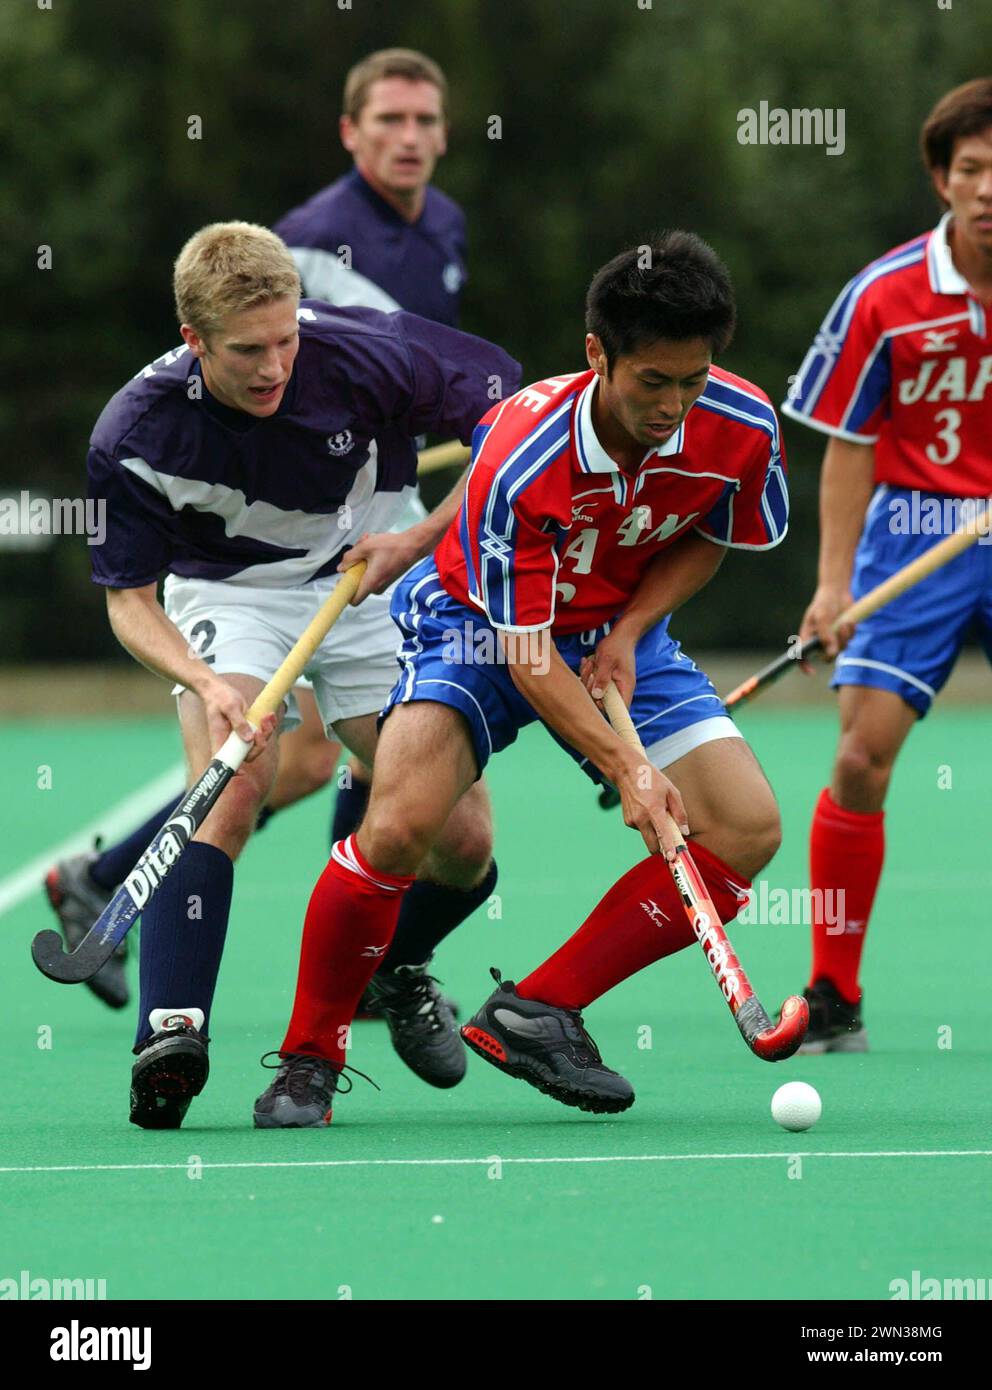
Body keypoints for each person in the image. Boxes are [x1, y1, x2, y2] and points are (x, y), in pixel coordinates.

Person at [254, 231, 789, 1128]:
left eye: (692, 381)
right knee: (400, 826)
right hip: (480, 625)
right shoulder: (525, 449)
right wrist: (628, 770)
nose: (672, 406)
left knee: (744, 828)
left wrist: (628, 630)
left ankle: (536, 1010)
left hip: (618, 627)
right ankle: (309, 1057)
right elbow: (524, 651)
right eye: (650, 382)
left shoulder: (739, 424)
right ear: (596, 356)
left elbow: (710, 533)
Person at [44, 48, 474, 1016]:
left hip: (376, 505)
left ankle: (109, 877)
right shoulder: (314, 239)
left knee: (333, 756)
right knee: (277, 757)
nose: (408, 138)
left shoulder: (443, 225)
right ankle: (310, 949)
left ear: (445, 132)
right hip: (308, 522)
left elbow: (414, 373)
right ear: (350, 132)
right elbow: (283, 372)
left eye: (423, 121)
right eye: (387, 122)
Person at [85, 220, 519, 1127]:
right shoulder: (134, 431)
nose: (276, 364)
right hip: (227, 591)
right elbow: (130, 601)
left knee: (463, 841)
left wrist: (421, 533)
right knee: (235, 781)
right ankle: (172, 1035)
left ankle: (391, 968)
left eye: (287, 338)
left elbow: (517, 415)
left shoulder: (365, 351)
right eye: (249, 350)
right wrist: (206, 686)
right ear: (193, 340)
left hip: (367, 573)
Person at [782, 78, 992, 1053]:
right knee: (859, 757)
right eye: (970, 170)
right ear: (939, 180)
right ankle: (831, 989)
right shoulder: (883, 295)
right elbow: (847, 442)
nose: (987, 189)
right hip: (912, 536)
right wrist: (832, 586)